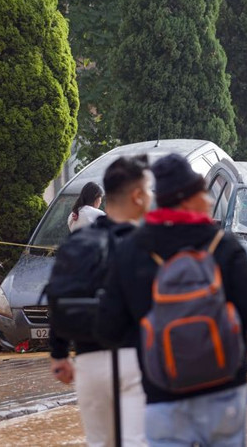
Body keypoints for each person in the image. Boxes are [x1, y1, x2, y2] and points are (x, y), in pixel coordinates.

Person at [96, 153, 247, 447]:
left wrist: (150, 334)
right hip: (224, 392)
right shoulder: (223, 246)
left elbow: (107, 329)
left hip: (163, 396)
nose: (208, 199)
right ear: (187, 198)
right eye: (202, 191)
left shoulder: (130, 250)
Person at [51, 155, 153, 446]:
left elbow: (59, 295)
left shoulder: (75, 243)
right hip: (135, 359)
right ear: (136, 195)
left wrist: (59, 354)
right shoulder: (145, 244)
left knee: (99, 442)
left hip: (88, 361)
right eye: (147, 192)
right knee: (137, 441)